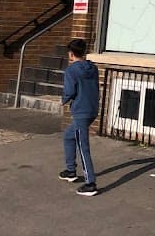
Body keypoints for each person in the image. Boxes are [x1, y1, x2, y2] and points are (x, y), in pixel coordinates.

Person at [59, 38, 99, 197]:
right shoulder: (93, 68)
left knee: (83, 147)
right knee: (69, 136)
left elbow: (70, 91)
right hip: (92, 108)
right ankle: (70, 171)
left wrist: (63, 100)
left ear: (71, 53)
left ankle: (91, 183)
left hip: (81, 111)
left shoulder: (71, 70)